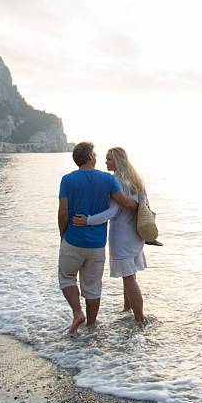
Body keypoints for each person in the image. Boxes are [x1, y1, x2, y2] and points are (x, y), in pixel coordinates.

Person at [58, 142, 138, 335]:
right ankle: (91, 327)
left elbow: (63, 212)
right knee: (93, 287)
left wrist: (63, 234)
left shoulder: (67, 180)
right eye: (94, 153)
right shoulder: (107, 179)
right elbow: (125, 203)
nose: (97, 157)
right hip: (97, 245)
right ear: (89, 157)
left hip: (73, 241)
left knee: (67, 278)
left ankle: (78, 313)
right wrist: (141, 208)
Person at [73, 147, 148, 324]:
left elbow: (112, 212)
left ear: (118, 162)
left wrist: (88, 220)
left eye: (109, 159)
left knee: (128, 278)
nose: (105, 162)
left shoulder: (115, 181)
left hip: (121, 236)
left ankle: (140, 319)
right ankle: (127, 311)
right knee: (130, 275)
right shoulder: (137, 180)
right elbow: (144, 206)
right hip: (137, 234)